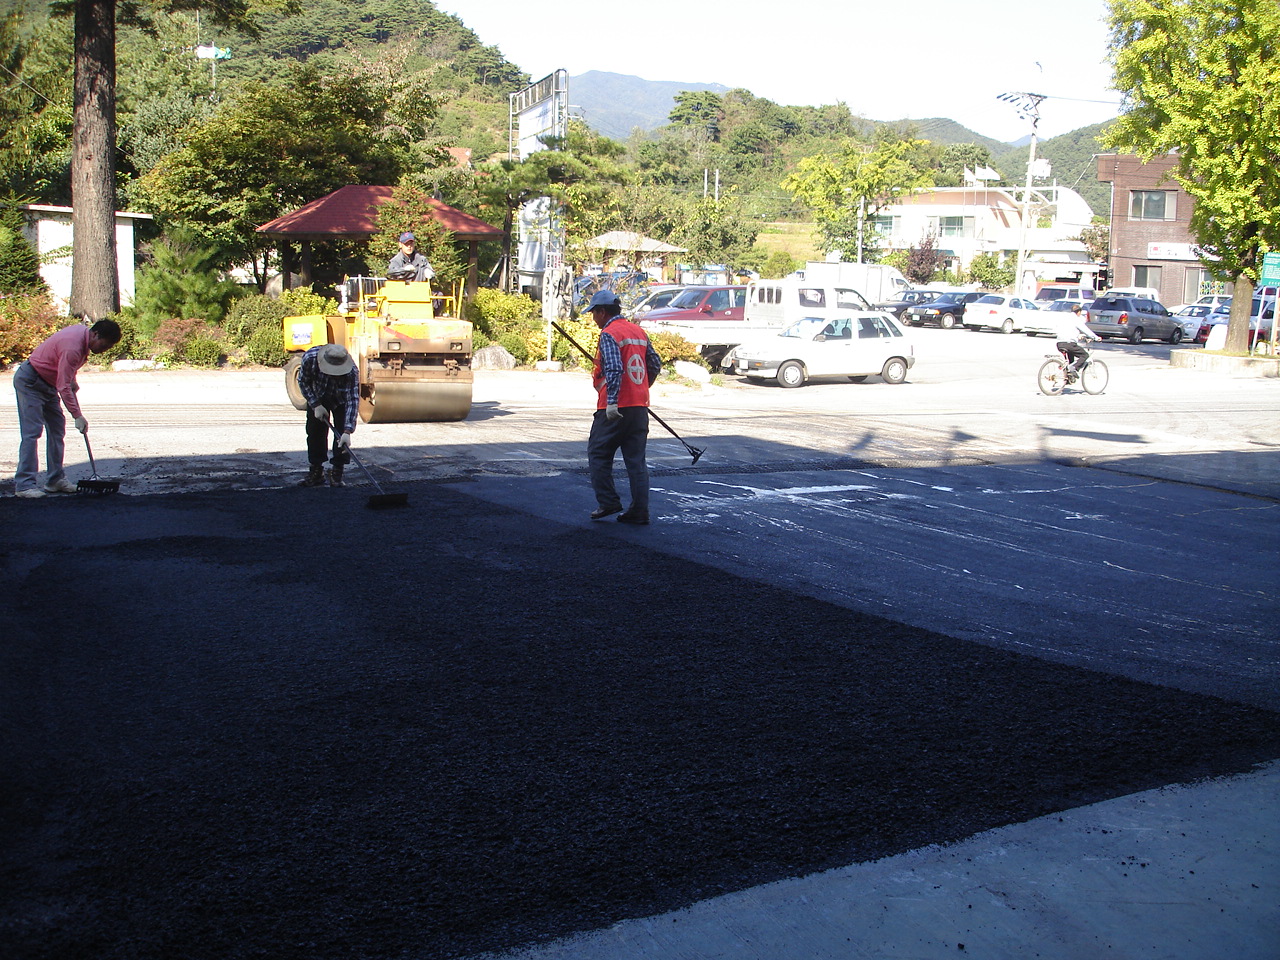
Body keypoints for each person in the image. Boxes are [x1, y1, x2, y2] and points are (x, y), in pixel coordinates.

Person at [13, 318, 122, 498]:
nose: (104, 350)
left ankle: (55, 480)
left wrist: (73, 380)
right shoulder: (73, 345)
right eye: (105, 345)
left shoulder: (82, 339)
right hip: (31, 381)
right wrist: (77, 415)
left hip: (48, 383)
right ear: (95, 334)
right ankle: (24, 485)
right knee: (32, 432)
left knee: (57, 429)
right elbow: (63, 386)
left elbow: (65, 370)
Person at [585, 289, 663, 525]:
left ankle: (608, 502)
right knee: (636, 461)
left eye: (594, 313)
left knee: (598, 453)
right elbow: (655, 363)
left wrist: (612, 402)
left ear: (602, 311)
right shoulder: (637, 331)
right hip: (639, 407)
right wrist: (641, 387)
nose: (593, 319)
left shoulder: (610, 333)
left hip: (615, 408)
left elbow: (614, 368)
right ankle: (639, 511)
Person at [296, 343, 359, 487]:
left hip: (340, 399)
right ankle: (316, 472)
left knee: (341, 438)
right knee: (315, 433)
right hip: (317, 395)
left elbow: (353, 399)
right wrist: (316, 405)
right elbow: (303, 382)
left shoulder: (351, 371)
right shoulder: (310, 359)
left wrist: (347, 431)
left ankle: (337, 472)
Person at [1055, 304, 1100, 376]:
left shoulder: (1065, 318)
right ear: (1079, 312)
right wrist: (1095, 337)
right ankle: (1074, 368)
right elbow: (1085, 329)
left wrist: (1078, 336)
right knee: (1085, 355)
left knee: (1071, 361)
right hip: (1069, 344)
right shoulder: (1076, 319)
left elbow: (1067, 331)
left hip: (1059, 343)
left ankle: (1068, 378)